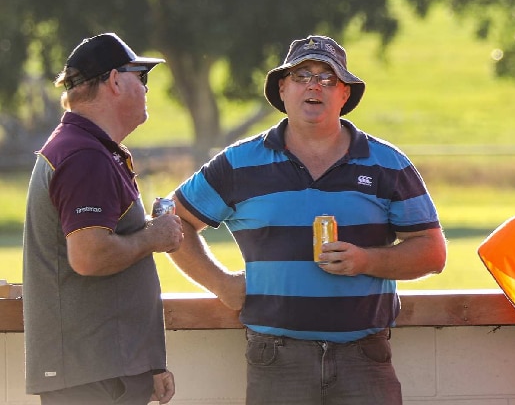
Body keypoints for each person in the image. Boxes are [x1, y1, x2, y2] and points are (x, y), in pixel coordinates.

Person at [167, 34, 447, 404]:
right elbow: (173, 222)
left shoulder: (387, 163)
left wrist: (367, 260)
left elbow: (432, 253)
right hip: (276, 357)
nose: (314, 86)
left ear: (344, 94)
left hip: (364, 355)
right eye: (301, 76)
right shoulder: (239, 163)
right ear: (282, 89)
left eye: (328, 78)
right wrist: (220, 283)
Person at [22, 33, 183, 404]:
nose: (146, 89)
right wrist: (154, 237)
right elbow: (90, 256)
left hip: (102, 371)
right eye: (141, 78)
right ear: (114, 81)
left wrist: (148, 363)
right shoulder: (85, 156)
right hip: (94, 377)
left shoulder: (84, 149)